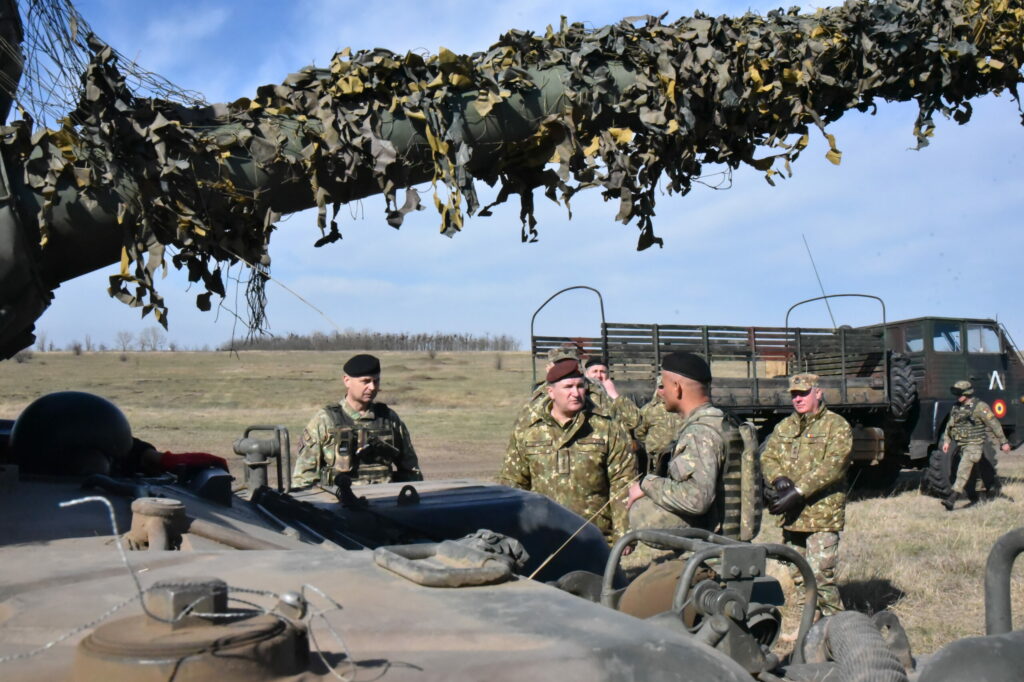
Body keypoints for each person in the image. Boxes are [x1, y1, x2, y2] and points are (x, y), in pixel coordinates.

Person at [499, 358, 636, 544]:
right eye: (568, 387)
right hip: (543, 533)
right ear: (551, 392)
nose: (576, 393)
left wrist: (623, 533)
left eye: (580, 386)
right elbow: (513, 482)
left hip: (595, 535)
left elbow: (622, 483)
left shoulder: (606, 428)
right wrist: (511, 528)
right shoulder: (529, 430)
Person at [760, 373, 852, 618]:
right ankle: (808, 628)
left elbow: (834, 465)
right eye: (794, 394)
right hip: (793, 516)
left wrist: (799, 491)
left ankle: (840, 629)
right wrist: (778, 478)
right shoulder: (785, 427)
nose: (797, 399)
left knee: (822, 578)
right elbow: (768, 457)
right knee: (799, 577)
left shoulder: (836, 425)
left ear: (818, 393)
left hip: (822, 514)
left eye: (803, 393)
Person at [625, 351, 740, 535]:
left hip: (715, 551)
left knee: (642, 510)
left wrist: (646, 484)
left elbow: (696, 499)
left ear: (677, 387)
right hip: (727, 544)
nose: (661, 392)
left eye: (664, 385)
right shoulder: (722, 421)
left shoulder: (700, 432)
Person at [291, 353, 422, 488]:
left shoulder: (389, 419)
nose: (372, 387)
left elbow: (411, 471)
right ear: (347, 381)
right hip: (338, 503)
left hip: (384, 502)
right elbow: (303, 479)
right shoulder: (325, 420)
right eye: (365, 381)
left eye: (376, 381)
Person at [941, 379, 1011, 510]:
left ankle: (952, 499)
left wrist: (1004, 442)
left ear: (967, 394)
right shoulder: (956, 407)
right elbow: (950, 426)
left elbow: (994, 424)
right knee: (977, 472)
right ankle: (982, 497)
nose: (957, 396)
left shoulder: (980, 407)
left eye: (959, 393)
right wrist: (947, 441)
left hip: (975, 445)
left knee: (963, 469)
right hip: (962, 444)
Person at [634, 382, 684, 475]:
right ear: (657, 388)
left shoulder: (681, 408)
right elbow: (639, 433)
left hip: (678, 459)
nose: (664, 390)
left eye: (667, 386)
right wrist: (652, 443)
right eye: (661, 387)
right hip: (655, 460)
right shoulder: (648, 410)